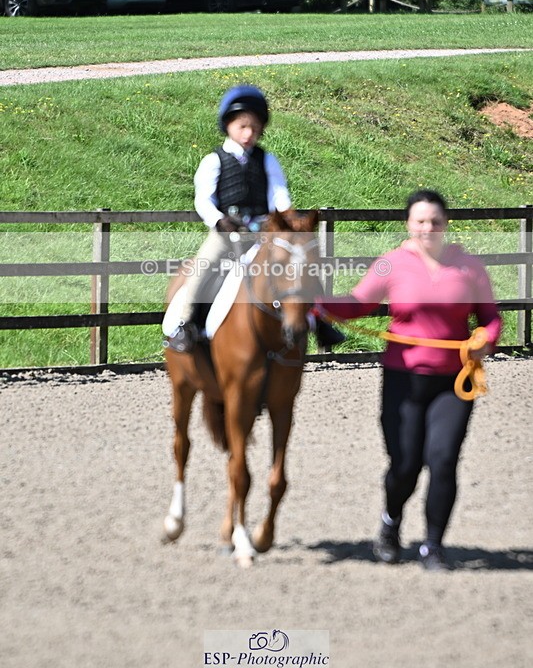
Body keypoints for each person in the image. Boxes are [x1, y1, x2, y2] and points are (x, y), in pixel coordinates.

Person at [315, 189, 502, 571]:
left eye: (434, 221)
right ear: (408, 224)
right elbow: (360, 302)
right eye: (420, 221)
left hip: (453, 381)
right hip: (403, 379)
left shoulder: (469, 267)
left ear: (445, 225)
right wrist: (317, 303)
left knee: (444, 460)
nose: (427, 228)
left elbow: (490, 317)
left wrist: (487, 339)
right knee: (404, 465)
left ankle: (433, 546)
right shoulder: (391, 264)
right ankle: (390, 523)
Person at [168, 84, 345, 352]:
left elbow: (279, 196)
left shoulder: (267, 160)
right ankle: (186, 323)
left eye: (254, 127)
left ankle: (320, 322)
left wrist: (287, 219)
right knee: (203, 267)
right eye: (242, 126)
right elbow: (203, 199)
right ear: (228, 125)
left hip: (264, 232)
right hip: (227, 231)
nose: (249, 133)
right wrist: (218, 220)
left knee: (302, 265)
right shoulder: (214, 160)